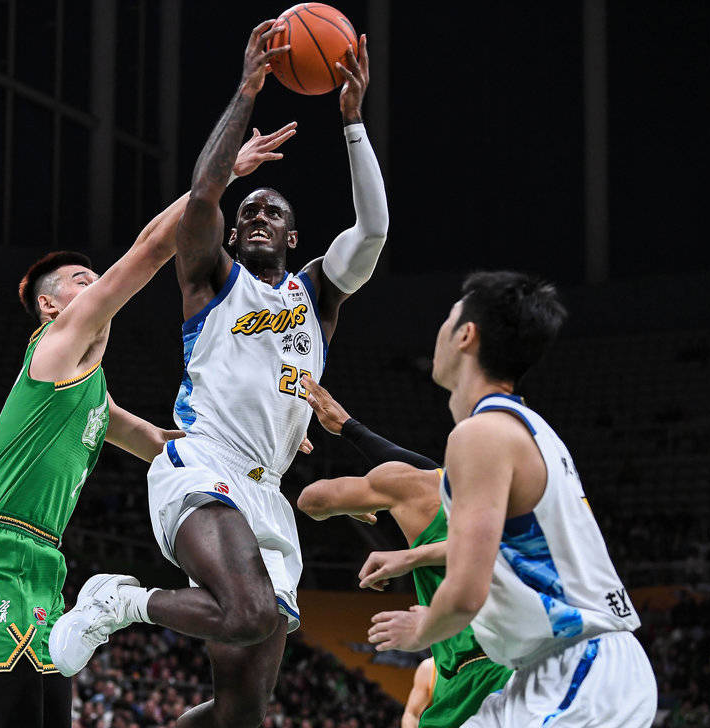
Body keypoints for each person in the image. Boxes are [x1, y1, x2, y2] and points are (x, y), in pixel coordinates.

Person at [52, 19, 389, 728]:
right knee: (248, 612)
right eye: (251, 211)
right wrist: (247, 89)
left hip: (267, 491)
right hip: (204, 464)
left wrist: (353, 123)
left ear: (294, 236)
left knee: (241, 713)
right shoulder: (211, 279)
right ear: (234, 235)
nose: (259, 214)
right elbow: (204, 195)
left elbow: (374, 231)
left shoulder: (315, 295)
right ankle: (120, 601)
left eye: (274, 212)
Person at [0, 118, 294, 728]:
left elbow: (165, 444)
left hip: (45, 562)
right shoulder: (53, 349)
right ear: (50, 306)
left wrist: (273, 425)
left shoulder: (94, 396)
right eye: (83, 281)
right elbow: (151, 249)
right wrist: (221, 177)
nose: (98, 284)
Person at [365, 272, 655, 726]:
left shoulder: (481, 435)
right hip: (549, 671)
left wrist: (421, 629)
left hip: (578, 668)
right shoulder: (523, 429)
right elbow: (494, 547)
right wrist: (411, 558)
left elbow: (465, 594)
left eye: (448, 319)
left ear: (466, 335)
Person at [294, 375, 512, 728]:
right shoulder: (522, 502)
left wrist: (358, 509)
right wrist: (350, 428)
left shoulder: (420, 488)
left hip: (477, 669)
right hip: (514, 659)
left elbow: (311, 500)